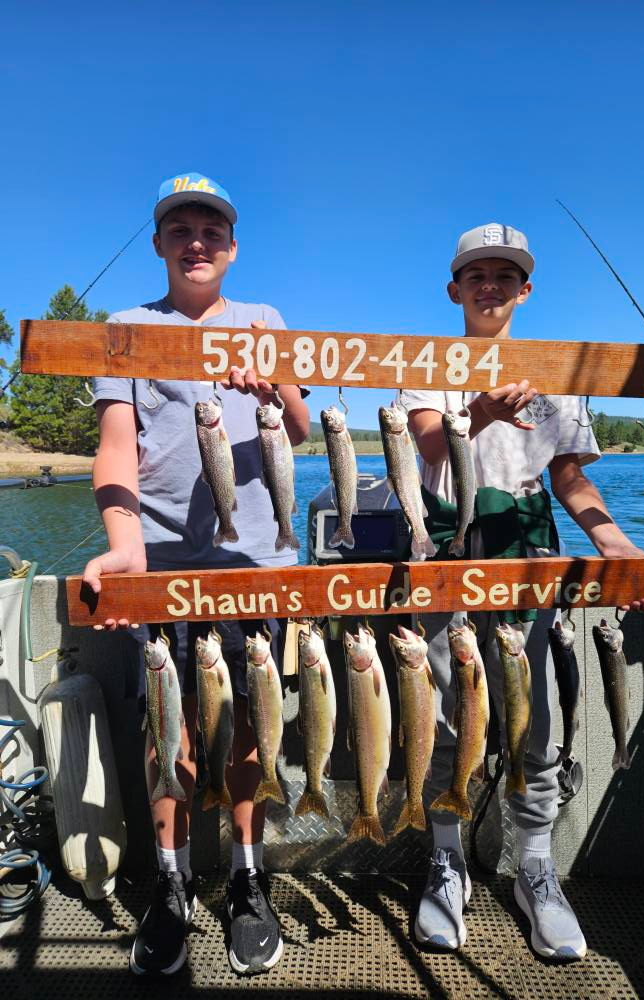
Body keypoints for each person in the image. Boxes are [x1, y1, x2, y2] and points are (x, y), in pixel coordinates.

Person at [400, 222, 644, 960]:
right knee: (443, 715)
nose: (490, 285)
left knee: (536, 720)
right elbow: (429, 447)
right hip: (446, 549)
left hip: (530, 553)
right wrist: (479, 411)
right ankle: (445, 861)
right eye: (477, 274)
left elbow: (569, 480)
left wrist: (615, 545)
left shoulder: (557, 373)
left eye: (505, 275)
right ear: (454, 289)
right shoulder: (426, 365)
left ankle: (537, 870)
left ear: (526, 290)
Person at [82, 172, 310, 976]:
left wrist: (273, 391)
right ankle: (172, 885)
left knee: (251, 722)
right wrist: (123, 542)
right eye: (180, 229)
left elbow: (300, 426)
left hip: (257, 562)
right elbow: (116, 445)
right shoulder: (126, 327)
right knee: (167, 731)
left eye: (211, 229)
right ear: (159, 243)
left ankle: (247, 878)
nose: (196, 242)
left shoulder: (265, 320)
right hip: (162, 562)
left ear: (233, 247)